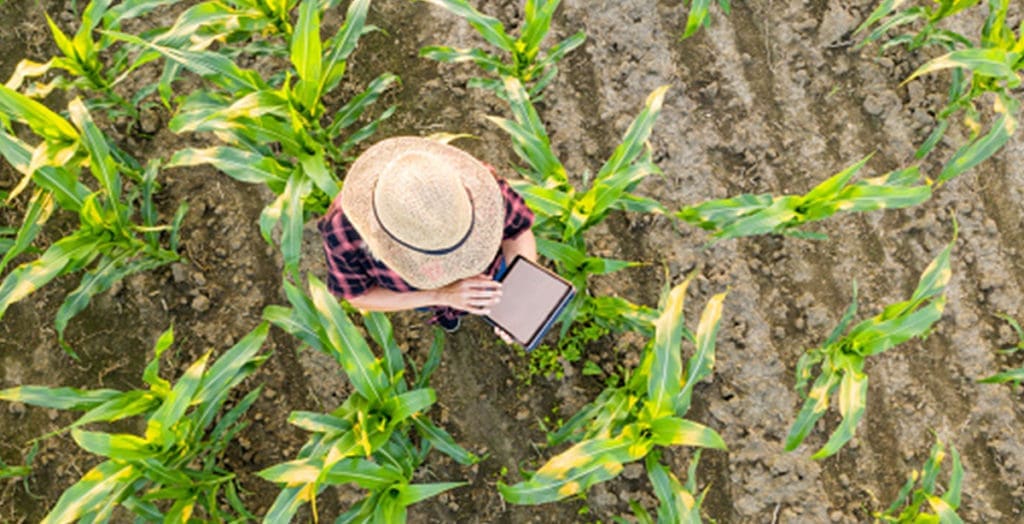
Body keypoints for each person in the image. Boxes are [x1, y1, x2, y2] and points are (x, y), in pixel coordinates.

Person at [318, 136, 537, 333]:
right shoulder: (343, 231)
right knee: (435, 309)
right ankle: (446, 316)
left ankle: (456, 313)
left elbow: (517, 232)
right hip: (420, 295)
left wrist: (520, 293)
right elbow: (359, 296)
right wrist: (440, 296)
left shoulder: (480, 184)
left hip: (490, 278)